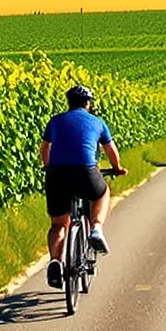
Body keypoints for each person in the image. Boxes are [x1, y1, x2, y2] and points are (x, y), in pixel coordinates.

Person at [42, 84, 124, 287]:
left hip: (57, 174)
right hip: (85, 171)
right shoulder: (97, 122)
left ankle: (55, 261)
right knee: (102, 193)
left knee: (58, 224)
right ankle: (96, 228)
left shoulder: (55, 121)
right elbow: (110, 150)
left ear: (68, 103)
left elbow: (45, 148)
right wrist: (117, 167)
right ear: (88, 103)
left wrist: (48, 168)